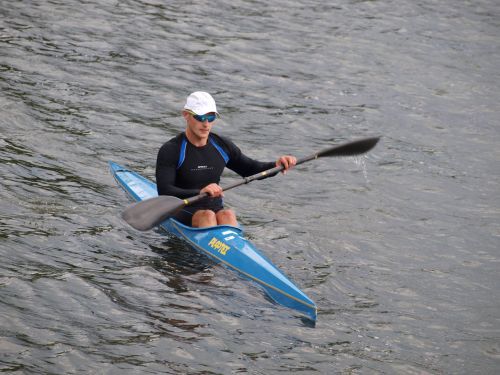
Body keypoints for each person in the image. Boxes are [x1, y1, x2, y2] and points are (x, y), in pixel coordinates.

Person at [155, 91, 296, 228]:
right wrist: (200, 191)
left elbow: (250, 169)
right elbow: (165, 190)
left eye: (211, 118)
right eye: (200, 117)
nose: (206, 124)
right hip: (182, 208)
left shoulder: (222, 145)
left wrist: (277, 165)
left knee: (228, 214)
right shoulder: (172, 149)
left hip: (214, 207)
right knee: (207, 216)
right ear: (186, 115)